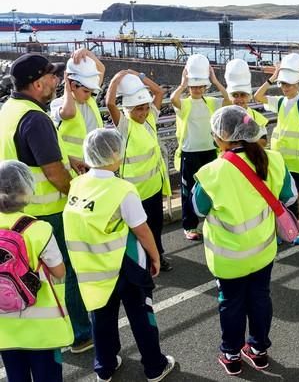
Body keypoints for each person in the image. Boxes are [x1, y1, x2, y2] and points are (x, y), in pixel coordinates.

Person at [63, 128, 177, 382]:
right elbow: (142, 229)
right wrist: (155, 255)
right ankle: (154, 366)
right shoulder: (121, 189)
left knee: (101, 318)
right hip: (124, 264)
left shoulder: (77, 184)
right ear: (114, 154)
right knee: (141, 315)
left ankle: (104, 367)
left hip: (92, 267)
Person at [192, 106, 297, 375]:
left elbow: (198, 209)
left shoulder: (212, 172)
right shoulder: (273, 159)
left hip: (229, 258)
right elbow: (289, 197)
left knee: (231, 303)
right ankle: (259, 350)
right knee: (260, 298)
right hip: (263, 250)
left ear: (222, 136)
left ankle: (231, 354)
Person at [0, 53, 93, 353]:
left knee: (24, 275)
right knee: (64, 273)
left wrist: (70, 158)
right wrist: (76, 195)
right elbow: (52, 172)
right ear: (38, 83)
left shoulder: (9, 109)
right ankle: (78, 334)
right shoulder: (36, 118)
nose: (56, 80)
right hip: (45, 214)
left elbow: (29, 155)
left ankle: (30, 334)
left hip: (12, 214)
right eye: (52, 76)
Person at [0, 160, 73, 382]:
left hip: (5, 329)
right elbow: (59, 271)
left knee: (16, 377)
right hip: (43, 327)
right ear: (26, 191)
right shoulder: (39, 229)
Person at [105, 71, 173, 272]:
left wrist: (139, 76)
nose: (143, 112)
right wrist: (117, 80)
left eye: (145, 108)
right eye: (139, 109)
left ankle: (158, 256)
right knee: (139, 229)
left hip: (154, 186)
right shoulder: (125, 126)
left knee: (156, 226)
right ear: (128, 109)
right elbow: (110, 104)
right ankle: (143, 262)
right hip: (135, 192)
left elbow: (159, 92)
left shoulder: (150, 120)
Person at [254, 53, 299, 245]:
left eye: (288, 84)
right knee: (280, 195)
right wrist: (273, 76)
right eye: (283, 84)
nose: (285, 88)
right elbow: (258, 96)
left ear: (297, 84)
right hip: (280, 160)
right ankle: (283, 227)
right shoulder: (279, 102)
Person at [170, 54, 228, 241]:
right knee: (189, 191)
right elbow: (173, 99)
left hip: (210, 151)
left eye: (200, 86)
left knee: (212, 189)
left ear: (205, 86)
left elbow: (227, 101)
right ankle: (189, 226)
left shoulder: (211, 101)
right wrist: (182, 84)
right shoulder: (184, 104)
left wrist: (215, 80)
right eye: (193, 86)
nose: (196, 89)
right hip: (189, 153)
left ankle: (212, 221)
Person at [50, 48, 105, 167]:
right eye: (86, 91)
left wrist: (88, 54)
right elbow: (69, 112)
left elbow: (101, 69)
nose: (89, 95)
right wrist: (67, 86)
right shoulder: (58, 104)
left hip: (93, 164)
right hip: (73, 167)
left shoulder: (89, 100)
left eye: (91, 91)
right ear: (72, 85)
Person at [224, 59, 269, 146]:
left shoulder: (257, 117)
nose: (239, 99)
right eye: (235, 95)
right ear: (229, 96)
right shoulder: (223, 116)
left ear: (249, 96)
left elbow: (263, 142)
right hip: (228, 158)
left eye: (243, 95)